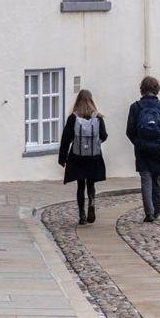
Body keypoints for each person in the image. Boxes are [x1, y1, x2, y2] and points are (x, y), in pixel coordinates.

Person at [126, 76, 160, 222]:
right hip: (159, 149)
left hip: (142, 149)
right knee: (156, 178)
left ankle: (149, 213)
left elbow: (129, 131)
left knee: (145, 179)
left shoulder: (135, 107)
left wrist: (139, 143)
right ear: (156, 88)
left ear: (142, 89)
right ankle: (157, 209)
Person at [58, 89, 109, 224]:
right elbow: (104, 136)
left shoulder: (73, 118)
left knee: (80, 186)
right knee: (90, 183)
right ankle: (91, 202)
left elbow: (66, 139)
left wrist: (62, 158)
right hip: (93, 156)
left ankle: (81, 215)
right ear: (91, 100)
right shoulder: (97, 118)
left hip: (78, 156)